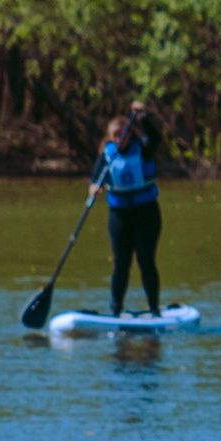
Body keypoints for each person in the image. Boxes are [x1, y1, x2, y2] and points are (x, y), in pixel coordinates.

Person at [88, 101, 166, 316]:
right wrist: (94, 187)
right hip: (119, 215)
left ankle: (154, 309)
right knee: (121, 263)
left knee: (145, 260)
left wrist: (143, 117)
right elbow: (96, 176)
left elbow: (156, 137)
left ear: (129, 133)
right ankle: (115, 310)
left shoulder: (143, 148)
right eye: (114, 134)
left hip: (146, 213)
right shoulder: (107, 153)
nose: (117, 138)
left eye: (121, 133)